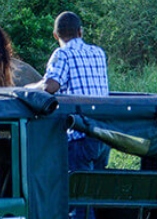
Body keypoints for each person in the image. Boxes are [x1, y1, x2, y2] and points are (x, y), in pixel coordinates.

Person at [30, 11, 111, 172]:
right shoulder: (98, 53)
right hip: (103, 135)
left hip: (79, 135)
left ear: (55, 35)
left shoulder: (63, 54)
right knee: (97, 188)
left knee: (76, 191)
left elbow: (50, 86)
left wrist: (29, 88)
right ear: (80, 31)